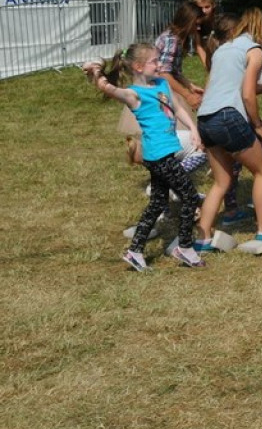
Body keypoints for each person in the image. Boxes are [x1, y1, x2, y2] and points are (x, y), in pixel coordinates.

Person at [83, 44, 206, 270]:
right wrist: (97, 69)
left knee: (158, 202)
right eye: (154, 61)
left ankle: (135, 251)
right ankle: (185, 248)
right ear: (139, 67)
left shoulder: (162, 84)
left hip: (166, 151)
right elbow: (106, 87)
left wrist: (194, 130)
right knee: (189, 196)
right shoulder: (134, 95)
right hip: (159, 155)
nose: (159, 65)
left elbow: (177, 109)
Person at [194, 7, 262, 249]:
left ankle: (203, 237)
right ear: (257, 29)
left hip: (205, 118)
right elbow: (247, 95)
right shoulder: (253, 50)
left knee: (221, 181)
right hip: (228, 117)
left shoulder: (222, 50)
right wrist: (258, 126)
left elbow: (224, 87)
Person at [155, 1, 206, 111]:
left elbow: (174, 72)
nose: (198, 29)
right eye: (196, 24)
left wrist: (190, 86)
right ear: (187, 21)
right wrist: (188, 96)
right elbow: (163, 73)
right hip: (156, 93)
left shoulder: (178, 40)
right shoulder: (171, 40)